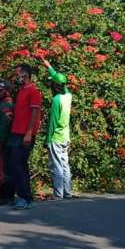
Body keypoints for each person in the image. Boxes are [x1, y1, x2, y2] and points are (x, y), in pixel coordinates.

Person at [8, 63, 43, 210]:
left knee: (19, 164)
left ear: (25, 75)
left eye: (18, 74)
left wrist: (29, 133)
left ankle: (25, 197)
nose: (16, 77)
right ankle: (22, 196)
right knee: (16, 165)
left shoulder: (34, 91)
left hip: (25, 134)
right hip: (16, 132)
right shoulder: (22, 91)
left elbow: (34, 114)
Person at [41, 58, 73, 200]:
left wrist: (48, 140)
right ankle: (67, 192)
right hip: (65, 137)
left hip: (56, 137)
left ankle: (58, 194)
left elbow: (53, 122)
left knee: (57, 166)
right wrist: (49, 67)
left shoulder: (56, 100)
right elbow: (61, 82)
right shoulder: (68, 96)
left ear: (54, 86)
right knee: (65, 165)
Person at [0, 80, 15, 202]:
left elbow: (6, 124)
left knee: (3, 169)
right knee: (1, 168)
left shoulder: (6, 106)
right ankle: (5, 194)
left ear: (7, 92)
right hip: (1, 142)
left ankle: (6, 195)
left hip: (3, 143)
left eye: (0, 91)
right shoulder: (2, 105)